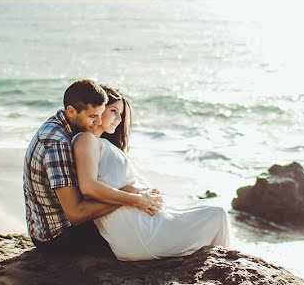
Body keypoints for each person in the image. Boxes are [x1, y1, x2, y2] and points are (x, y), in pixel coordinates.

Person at [73, 84, 231, 261]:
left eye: (121, 114)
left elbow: (114, 184)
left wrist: (143, 193)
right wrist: (139, 197)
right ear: (99, 108)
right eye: (113, 111)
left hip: (141, 224)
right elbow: (89, 187)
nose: (118, 119)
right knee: (217, 214)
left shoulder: (103, 144)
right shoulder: (87, 140)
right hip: (138, 232)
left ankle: (215, 265)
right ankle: (220, 269)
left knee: (210, 211)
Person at [23, 79, 162, 255]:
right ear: (71, 111)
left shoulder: (63, 124)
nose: (97, 123)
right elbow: (76, 214)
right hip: (57, 237)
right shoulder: (57, 144)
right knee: (144, 232)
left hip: (46, 226)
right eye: (92, 117)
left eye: (100, 115)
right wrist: (133, 197)